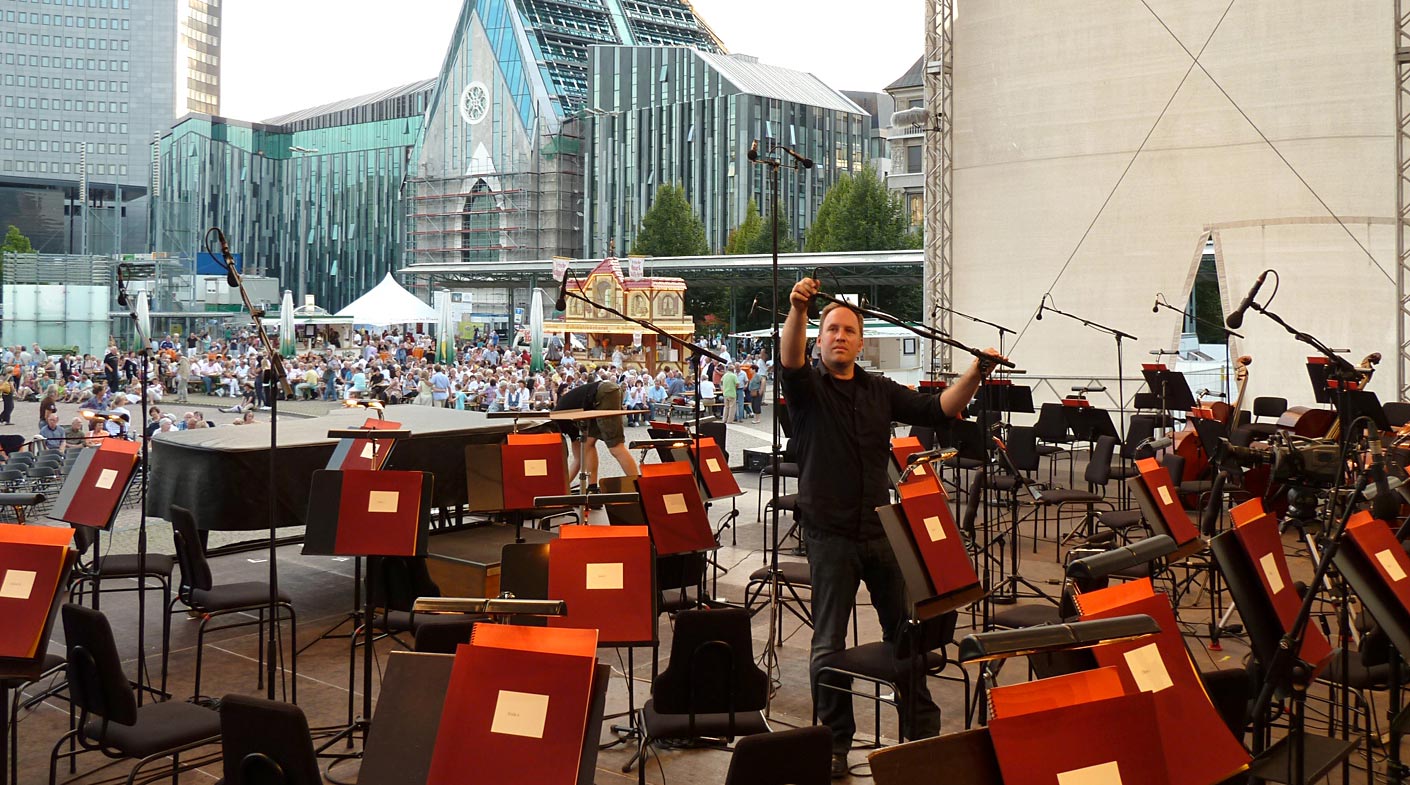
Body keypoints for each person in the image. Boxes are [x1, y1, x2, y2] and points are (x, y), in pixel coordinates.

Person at [780, 276, 1000, 779]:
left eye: (848, 330)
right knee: (828, 643)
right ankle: (835, 743)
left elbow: (940, 409)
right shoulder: (808, 389)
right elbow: (790, 361)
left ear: (860, 341)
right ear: (820, 339)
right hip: (829, 535)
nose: (839, 336)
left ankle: (921, 733)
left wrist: (977, 371)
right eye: (830, 329)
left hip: (880, 532)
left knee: (907, 635)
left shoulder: (879, 390)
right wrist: (797, 309)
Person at [553, 373, 639, 491]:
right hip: (603, 394)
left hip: (603, 394)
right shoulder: (559, 417)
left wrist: (559, 489)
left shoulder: (561, 421)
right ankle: (592, 487)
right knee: (588, 444)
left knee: (616, 447)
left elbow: (578, 460)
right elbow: (580, 458)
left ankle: (639, 487)